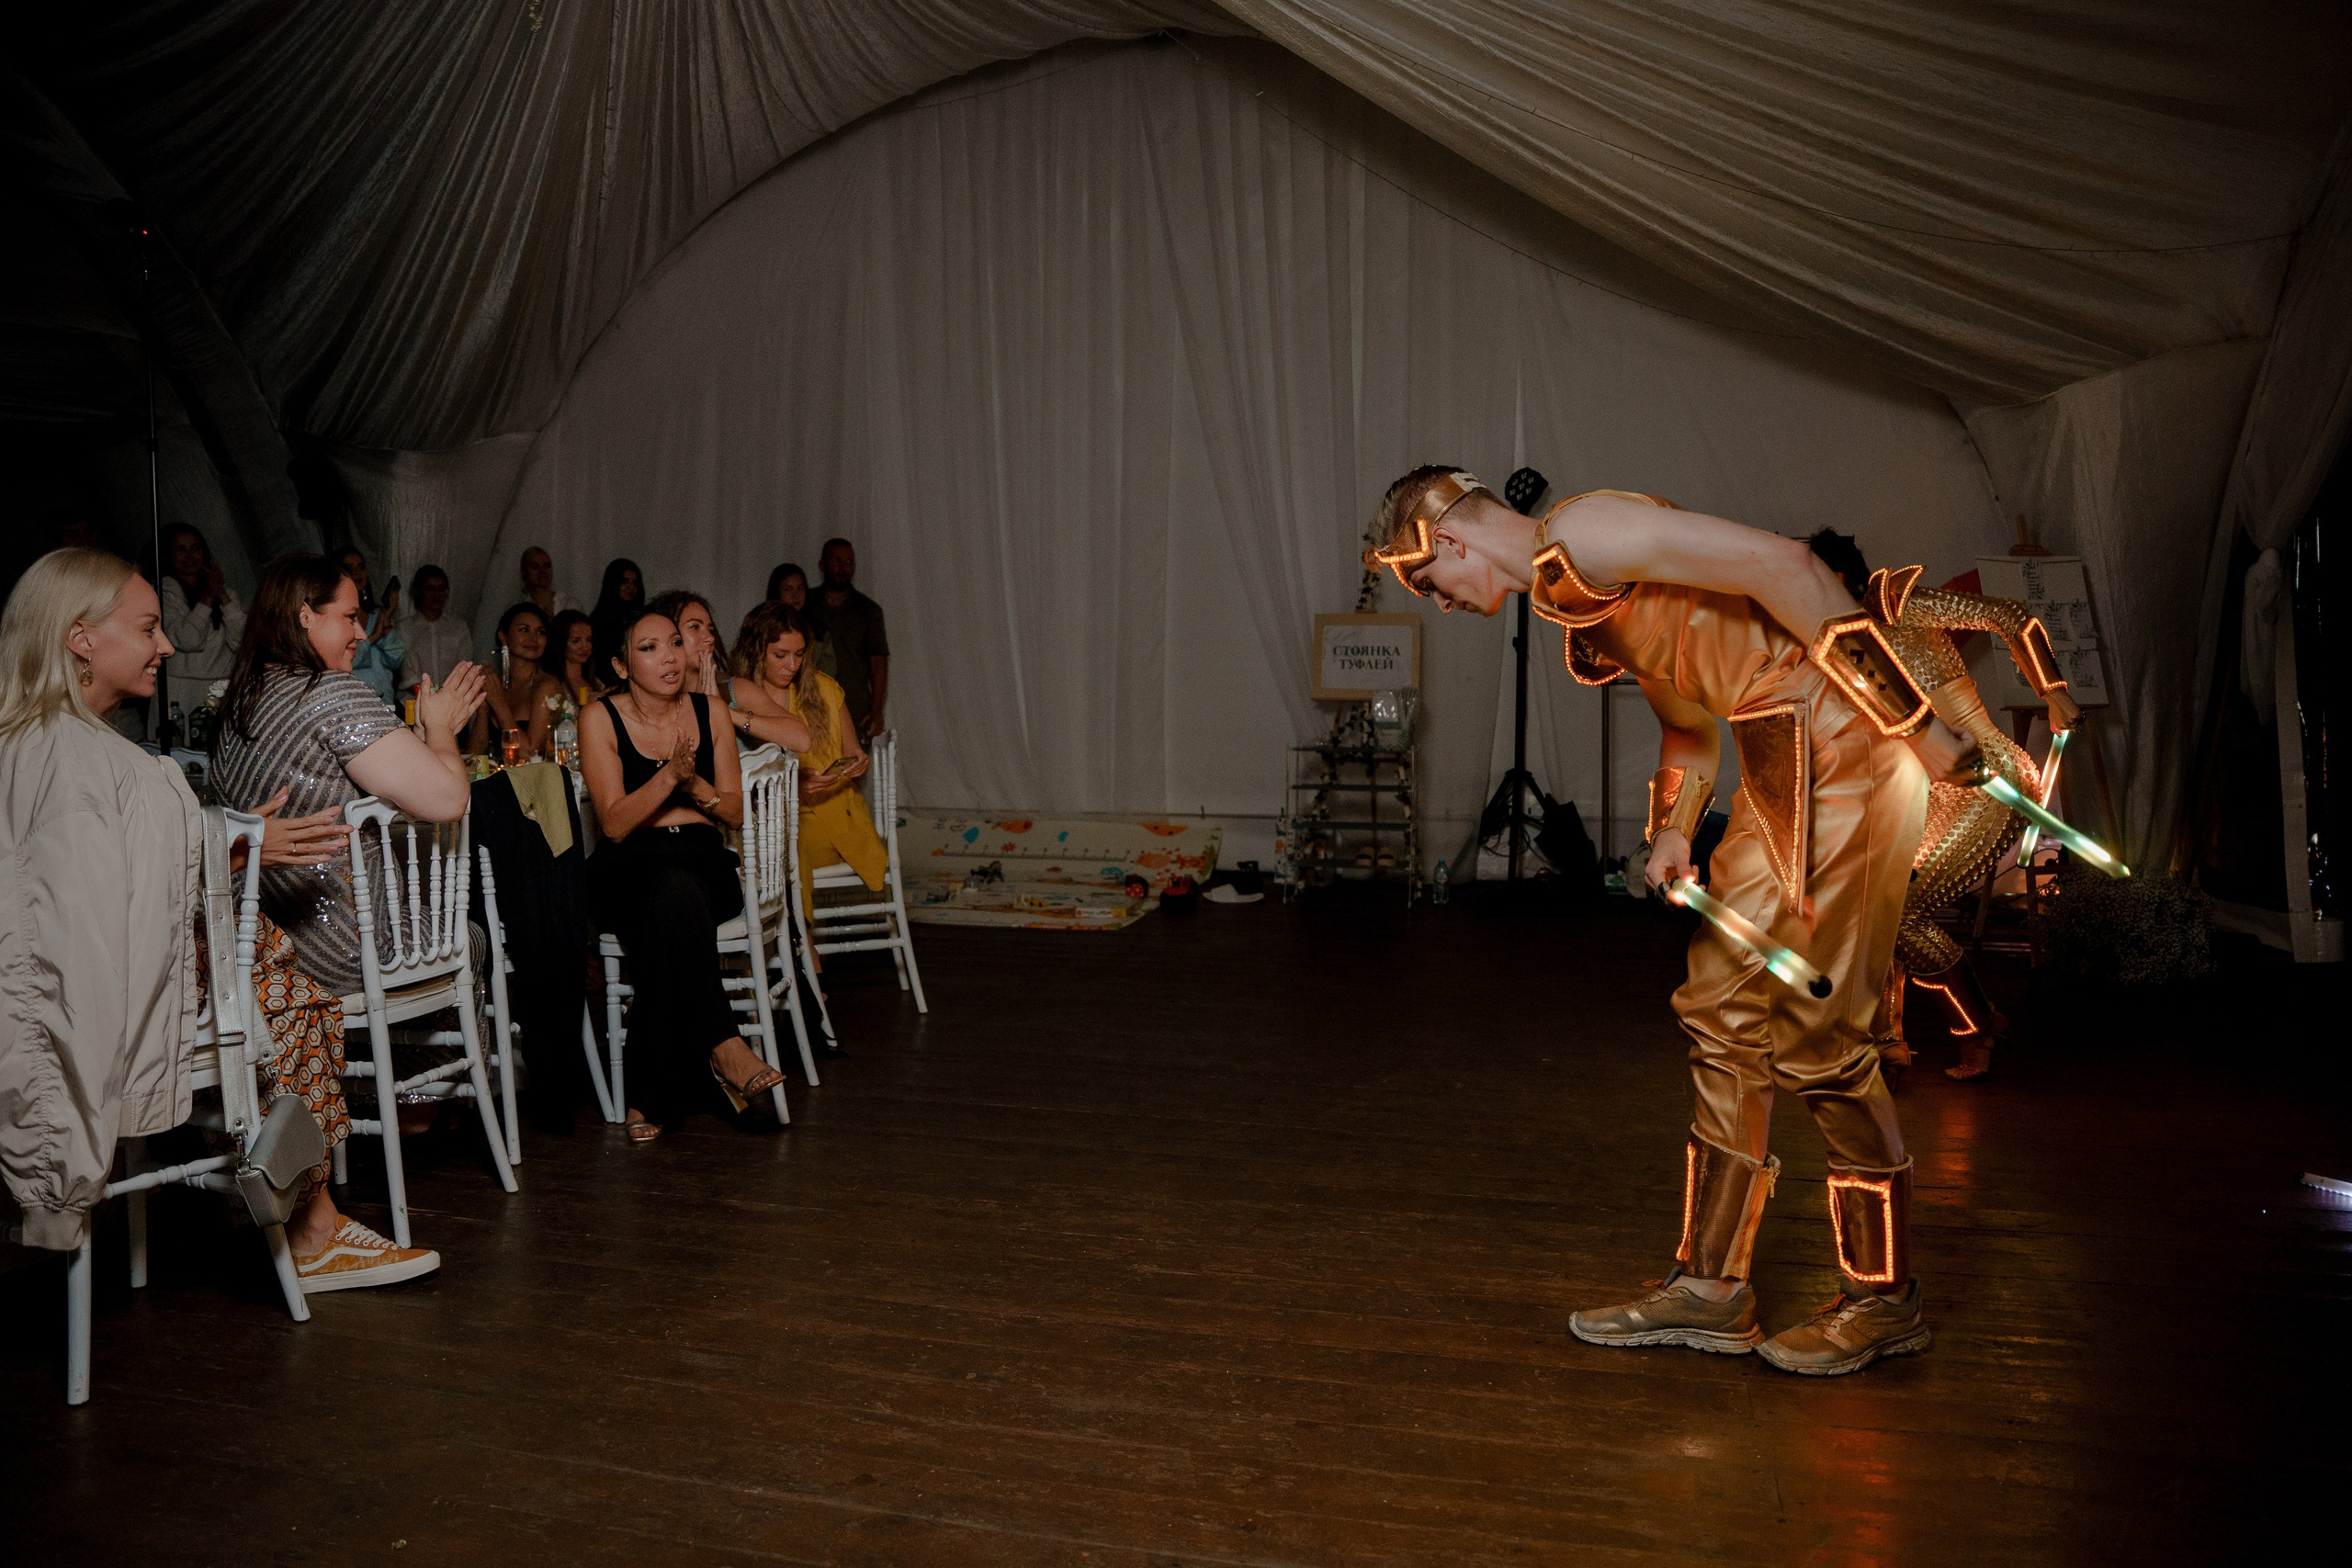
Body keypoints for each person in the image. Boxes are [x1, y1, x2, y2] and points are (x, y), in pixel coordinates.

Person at [1366, 467, 1975, 1376]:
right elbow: (1690, 730)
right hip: (1776, 768)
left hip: (1850, 752)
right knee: (1719, 1011)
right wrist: (1673, 832)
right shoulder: (1573, 602)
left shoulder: (1585, 531)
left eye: (1428, 583)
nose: (1441, 604)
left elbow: (1788, 566)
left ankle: (1884, 1298)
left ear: (1448, 540)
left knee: (1820, 1038)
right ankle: (1712, 1287)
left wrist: (1912, 722)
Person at [1, 549, 431, 1290]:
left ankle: (291, 1203)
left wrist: (225, 845)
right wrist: (224, 850)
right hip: (104, 1002)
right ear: (80, 638)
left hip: (119, 976)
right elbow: (80, 927)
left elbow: (97, 877)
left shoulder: (57, 744)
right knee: (292, 998)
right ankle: (308, 1224)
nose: (168, 646)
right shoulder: (72, 758)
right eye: (148, 628)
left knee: (282, 971)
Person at [1803, 532, 2078, 1085]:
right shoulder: (1837, 640)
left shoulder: (1898, 604)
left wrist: (2053, 689)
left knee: (1901, 913)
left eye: (1814, 576)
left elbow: (2010, 614)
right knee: (1880, 905)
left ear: (1842, 576)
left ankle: (1979, 1026)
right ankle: (1887, 1044)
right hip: (1926, 791)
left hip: (1988, 776)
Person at [577, 607, 784, 1142]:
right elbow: (614, 823)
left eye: (673, 643)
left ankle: (651, 1094)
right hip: (628, 867)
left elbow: (734, 812)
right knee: (670, 898)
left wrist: (695, 786)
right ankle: (725, 1045)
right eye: (648, 648)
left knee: (675, 896)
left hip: (700, 859)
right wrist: (669, 776)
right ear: (621, 666)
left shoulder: (710, 710)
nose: (669, 657)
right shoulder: (598, 717)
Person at [729, 602, 883, 923]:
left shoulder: (824, 689)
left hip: (832, 814)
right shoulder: (738, 695)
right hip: (768, 820)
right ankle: (797, 938)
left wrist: (856, 763)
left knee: (786, 848)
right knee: (776, 845)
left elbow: (853, 751)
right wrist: (794, 788)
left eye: (799, 654)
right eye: (780, 655)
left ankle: (797, 937)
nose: (792, 665)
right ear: (756, 650)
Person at [157, 524, 246, 719]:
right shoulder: (164, 592)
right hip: (180, 688)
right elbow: (188, 640)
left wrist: (222, 595)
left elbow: (242, 640)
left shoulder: (226, 592)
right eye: (181, 549)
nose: (189, 555)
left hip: (220, 686)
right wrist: (207, 598)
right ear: (167, 556)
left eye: (195, 548)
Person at [807, 538, 888, 739]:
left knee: (853, 757)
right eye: (837, 560)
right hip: (810, 702)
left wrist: (876, 711)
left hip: (854, 707)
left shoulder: (869, 611)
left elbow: (879, 663)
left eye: (849, 562)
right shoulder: (805, 603)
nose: (844, 567)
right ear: (822, 564)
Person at [470, 602, 566, 759]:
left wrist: (498, 703)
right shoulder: (495, 684)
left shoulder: (546, 686)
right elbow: (475, 753)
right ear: (503, 637)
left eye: (541, 632)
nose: (533, 638)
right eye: (524, 630)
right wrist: (483, 708)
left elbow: (531, 753)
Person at [334, 547, 407, 706]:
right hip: (352, 703)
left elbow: (395, 660)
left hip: (385, 703)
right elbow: (340, 663)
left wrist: (387, 617)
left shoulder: (376, 614)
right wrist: (373, 638)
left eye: (361, 567)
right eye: (349, 568)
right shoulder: (335, 616)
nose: (357, 572)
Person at [395, 563, 474, 695]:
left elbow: (465, 665)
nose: (436, 595)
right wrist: (428, 695)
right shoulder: (404, 628)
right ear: (417, 591)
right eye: (430, 589)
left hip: (451, 700)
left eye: (441, 589)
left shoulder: (458, 628)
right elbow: (406, 671)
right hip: (412, 701)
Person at [648, 588, 729, 707]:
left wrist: (718, 709)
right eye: (695, 627)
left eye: (711, 630)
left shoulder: (737, 690)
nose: (710, 638)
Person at [765, 561, 838, 680]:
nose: (796, 595)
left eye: (800, 588)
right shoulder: (762, 627)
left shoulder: (819, 632)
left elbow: (828, 673)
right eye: (788, 589)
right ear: (776, 591)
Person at [588, 557, 645, 671]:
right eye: (625, 582)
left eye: (635, 583)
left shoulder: (643, 618)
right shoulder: (598, 621)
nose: (631, 587)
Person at [543, 608, 603, 705]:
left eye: (589, 640)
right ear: (560, 643)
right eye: (576, 641)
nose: (585, 647)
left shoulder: (596, 682)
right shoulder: (552, 684)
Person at [518, 546, 583, 623]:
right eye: (535, 567)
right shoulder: (518, 608)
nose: (542, 571)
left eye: (546, 566)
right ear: (524, 572)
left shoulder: (570, 605)